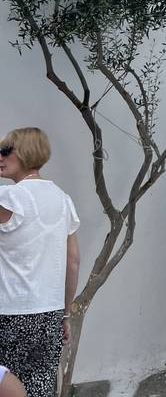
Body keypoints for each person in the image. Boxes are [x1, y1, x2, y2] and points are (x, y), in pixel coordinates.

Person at [0, 128, 80, 397]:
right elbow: (73, 261)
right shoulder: (62, 199)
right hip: (50, 315)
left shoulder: (9, 198)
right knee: (40, 388)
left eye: (5, 150)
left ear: (25, 152)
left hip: (10, 313)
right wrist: (65, 314)